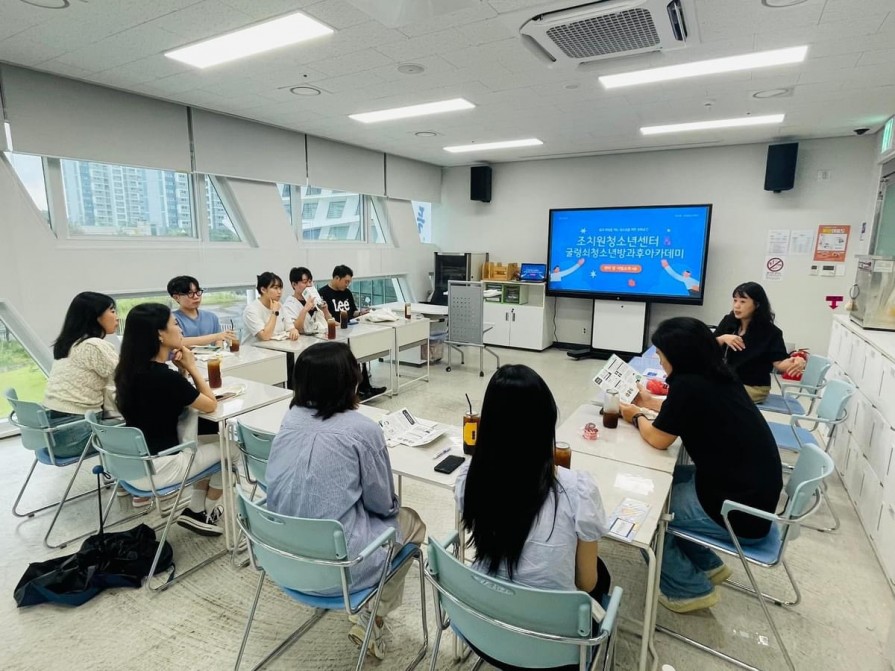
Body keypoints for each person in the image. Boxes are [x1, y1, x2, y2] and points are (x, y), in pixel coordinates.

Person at [266, 342, 425, 660]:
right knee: (412, 524)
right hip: (339, 569)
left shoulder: (291, 417)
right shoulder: (363, 429)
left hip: (281, 559)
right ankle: (372, 616)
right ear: (350, 381)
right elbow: (382, 504)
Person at [619, 317, 783, 613]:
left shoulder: (688, 385)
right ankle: (707, 564)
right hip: (754, 494)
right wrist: (648, 402)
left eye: (661, 354)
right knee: (668, 481)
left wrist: (635, 416)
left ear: (678, 355)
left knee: (646, 512)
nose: (659, 359)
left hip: (737, 511)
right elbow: (682, 409)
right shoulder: (717, 374)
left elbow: (658, 438)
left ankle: (687, 590)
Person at [456, 364, 611, 659]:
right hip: (553, 650)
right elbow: (586, 583)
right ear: (544, 427)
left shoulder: (469, 480)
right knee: (601, 575)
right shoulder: (577, 491)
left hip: (482, 629)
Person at [114, 303, 225, 535]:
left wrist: (180, 372)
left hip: (131, 465)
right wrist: (192, 367)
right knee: (231, 450)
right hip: (162, 467)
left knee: (208, 442)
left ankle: (196, 511)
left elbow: (169, 398)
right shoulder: (164, 378)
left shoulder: (127, 371)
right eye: (175, 324)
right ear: (159, 335)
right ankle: (203, 511)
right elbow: (211, 404)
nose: (180, 329)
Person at [42, 292, 120, 457]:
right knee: (145, 423)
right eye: (112, 311)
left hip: (53, 435)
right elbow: (127, 380)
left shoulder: (70, 343)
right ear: (95, 316)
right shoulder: (94, 345)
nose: (117, 317)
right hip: (76, 435)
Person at [714, 281, 805, 403]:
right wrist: (723, 338)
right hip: (729, 381)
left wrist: (796, 361)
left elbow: (779, 363)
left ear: (757, 304)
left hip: (754, 387)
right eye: (735, 300)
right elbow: (707, 346)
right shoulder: (729, 321)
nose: (736, 306)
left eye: (743, 301)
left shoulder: (770, 332)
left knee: (708, 395)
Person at [318, 265, 385, 399]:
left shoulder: (347, 292)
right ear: (337, 278)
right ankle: (357, 390)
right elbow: (323, 317)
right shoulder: (323, 293)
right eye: (346, 281)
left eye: (349, 282)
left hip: (350, 330)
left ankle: (365, 387)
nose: (347, 284)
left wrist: (360, 313)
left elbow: (352, 312)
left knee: (361, 354)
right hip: (335, 334)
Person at [167, 275, 236, 348]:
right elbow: (179, 342)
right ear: (176, 297)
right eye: (190, 293)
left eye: (197, 292)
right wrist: (216, 336)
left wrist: (218, 349)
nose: (196, 297)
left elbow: (219, 341)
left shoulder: (211, 317)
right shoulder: (171, 320)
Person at [242, 271, 298, 346]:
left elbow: (291, 327)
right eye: (275, 288)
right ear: (263, 290)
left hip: (277, 347)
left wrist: (294, 331)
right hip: (254, 350)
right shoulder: (251, 310)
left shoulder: (279, 305)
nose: (279, 292)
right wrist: (274, 312)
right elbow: (265, 336)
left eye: (280, 288)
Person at [281, 266, 332, 335]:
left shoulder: (314, 299)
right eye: (304, 282)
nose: (308, 285)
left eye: (310, 282)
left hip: (322, 337)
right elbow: (295, 329)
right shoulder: (289, 305)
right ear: (294, 284)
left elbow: (330, 323)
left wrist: (325, 310)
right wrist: (305, 309)